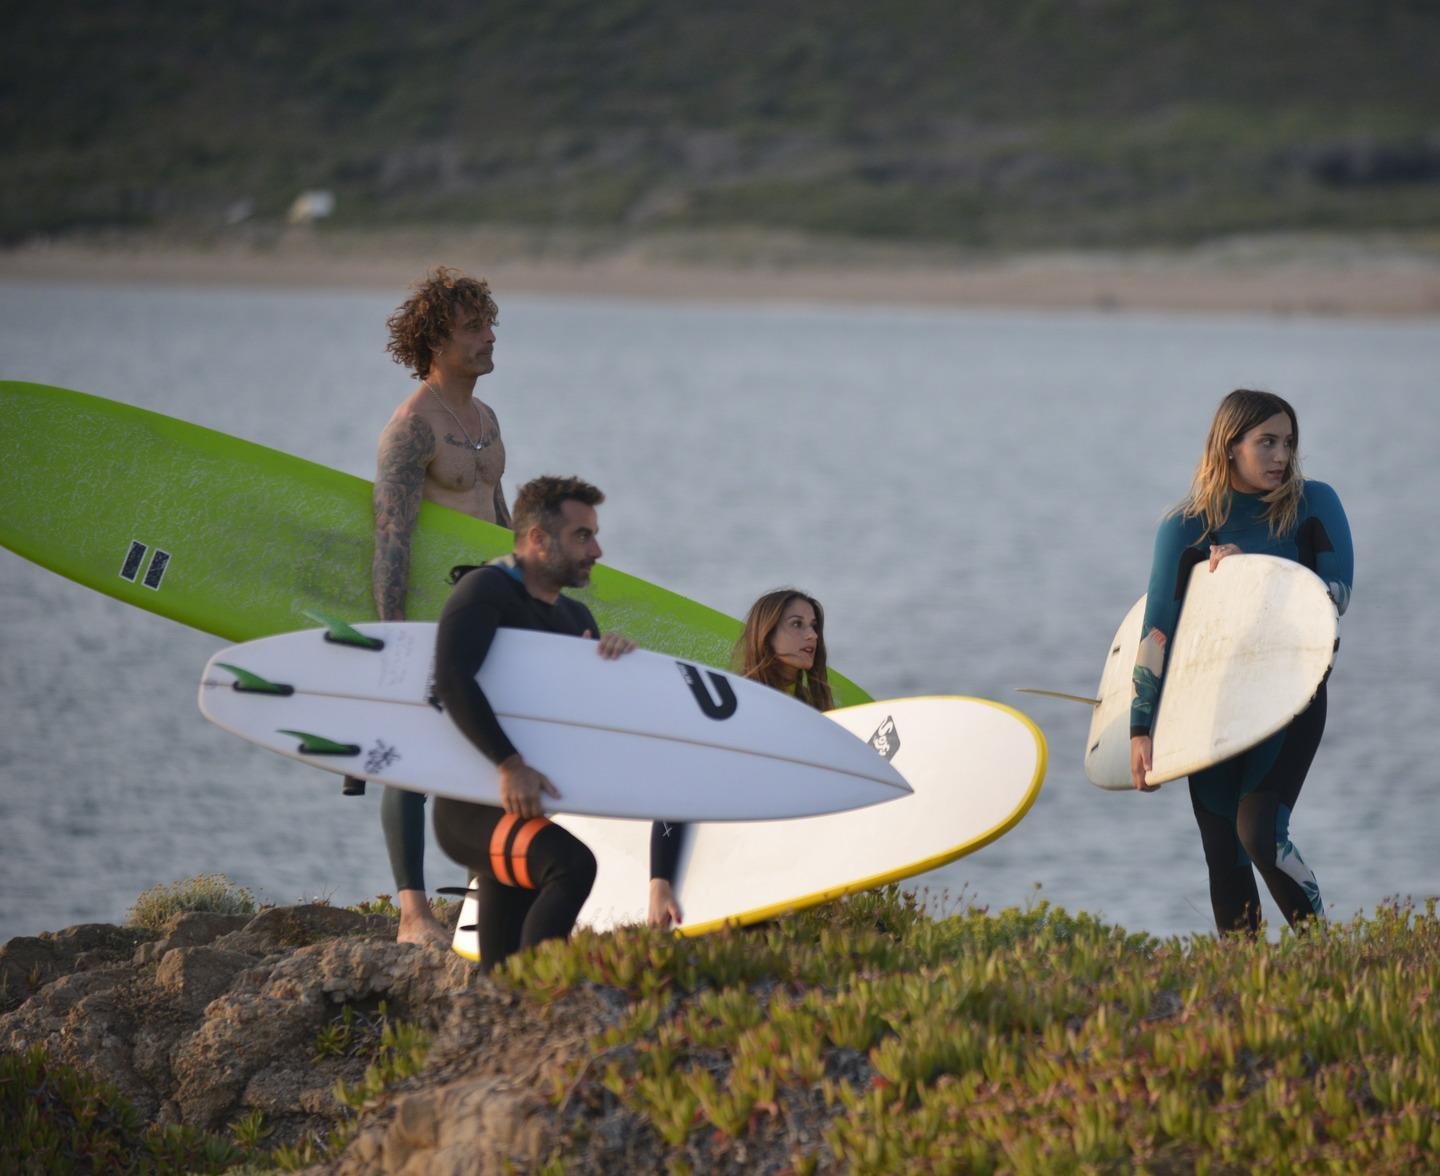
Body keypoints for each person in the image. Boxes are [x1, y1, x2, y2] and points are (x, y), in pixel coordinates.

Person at [1129, 389, 1353, 935]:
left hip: (1289, 696)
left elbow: (1334, 597)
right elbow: (1158, 628)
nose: (1282, 456)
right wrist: (1140, 726)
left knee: (1260, 832)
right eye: (1267, 442)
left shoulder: (1314, 504)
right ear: (1229, 446)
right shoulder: (1186, 526)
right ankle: (1244, 985)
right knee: (1222, 849)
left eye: (1288, 442)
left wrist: (1244, 577)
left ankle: (1326, 953)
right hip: (1207, 700)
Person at [431, 475, 636, 971]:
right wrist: (509, 764)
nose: (598, 549)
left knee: (499, 970)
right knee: (571, 866)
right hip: (471, 810)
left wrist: (612, 663)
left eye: (595, 534)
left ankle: (503, 1028)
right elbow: (453, 677)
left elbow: (577, 714)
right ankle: (546, 1004)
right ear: (538, 540)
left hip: (522, 810)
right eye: (582, 535)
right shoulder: (487, 591)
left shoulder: (573, 616)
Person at [365, 267, 510, 947]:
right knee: (414, 756)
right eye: (473, 328)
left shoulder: (485, 419)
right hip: (430, 613)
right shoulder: (411, 428)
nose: (489, 338)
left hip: (492, 611)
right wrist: (391, 638)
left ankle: (490, 890)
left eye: (489, 324)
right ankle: (413, 913)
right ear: (435, 340)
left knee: (497, 743)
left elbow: (500, 520)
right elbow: (391, 536)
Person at [648, 588, 833, 929]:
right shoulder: (731, 709)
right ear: (767, 635)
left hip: (793, 876)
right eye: (796, 624)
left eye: (814, 626)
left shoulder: (815, 715)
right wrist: (660, 884)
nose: (811, 635)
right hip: (733, 875)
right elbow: (677, 792)